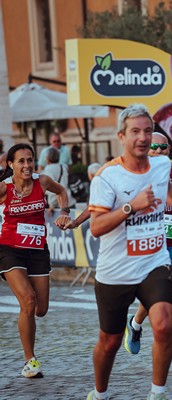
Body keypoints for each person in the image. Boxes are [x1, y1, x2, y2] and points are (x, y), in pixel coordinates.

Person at [85, 104, 172, 400]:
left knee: (164, 323)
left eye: (147, 131)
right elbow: (96, 227)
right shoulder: (107, 178)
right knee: (109, 341)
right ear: (121, 136)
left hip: (153, 261)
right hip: (116, 270)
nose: (143, 138)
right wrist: (131, 206)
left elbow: (167, 189)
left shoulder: (161, 166)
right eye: (135, 131)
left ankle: (157, 393)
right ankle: (100, 393)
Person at [123, 131, 172, 355]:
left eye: (163, 148)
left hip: (169, 237)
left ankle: (136, 324)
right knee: (145, 286)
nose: (158, 151)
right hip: (142, 238)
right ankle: (133, 324)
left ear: (169, 151)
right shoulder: (135, 171)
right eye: (154, 147)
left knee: (159, 288)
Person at [0, 143, 71, 378]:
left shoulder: (44, 181)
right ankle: (30, 360)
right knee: (28, 301)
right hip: (9, 249)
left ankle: (26, 325)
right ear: (11, 164)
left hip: (38, 250)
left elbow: (61, 192)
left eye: (30, 160)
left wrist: (64, 212)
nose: (27, 165)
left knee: (40, 309)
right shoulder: (4, 188)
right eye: (21, 161)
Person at [41, 147, 74, 212]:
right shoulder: (64, 166)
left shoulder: (48, 169)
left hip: (59, 206)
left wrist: (52, 205)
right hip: (69, 201)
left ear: (48, 158)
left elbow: (52, 189)